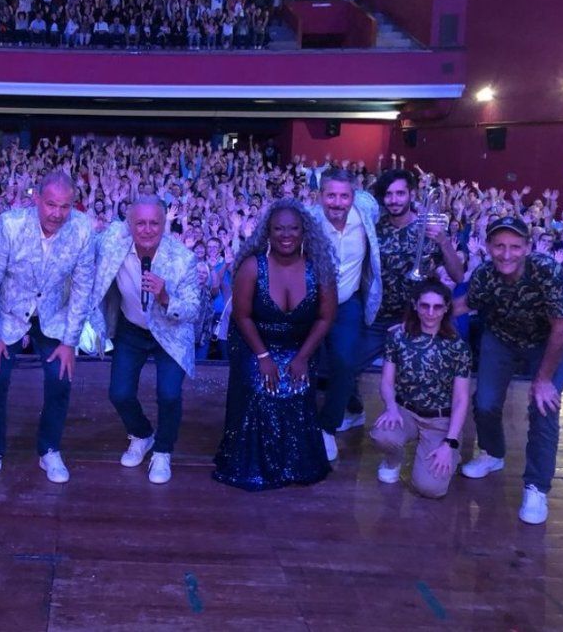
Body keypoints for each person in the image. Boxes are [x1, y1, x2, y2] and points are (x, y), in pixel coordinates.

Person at [0, 172, 95, 486]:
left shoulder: (82, 228)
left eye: (65, 206)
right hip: (8, 312)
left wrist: (70, 342)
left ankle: (50, 448)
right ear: (36, 200)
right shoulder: (10, 225)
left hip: (53, 314)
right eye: (50, 204)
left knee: (60, 378)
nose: (57, 213)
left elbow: (83, 289)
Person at [457, 217, 563, 525]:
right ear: (489, 248)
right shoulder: (484, 274)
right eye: (499, 246)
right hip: (502, 337)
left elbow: (561, 328)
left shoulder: (547, 272)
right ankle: (493, 454)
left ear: (527, 248)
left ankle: (537, 486)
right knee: (484, 403)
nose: (506, 254)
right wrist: (416, 318)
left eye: (514, 247)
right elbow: (463, 304)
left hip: (550, 342)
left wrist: (544, 379)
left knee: (543, 406)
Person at [212, 198, 337, 491]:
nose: (286, 234)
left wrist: (303, 356)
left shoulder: (319, 268)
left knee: (298, 387)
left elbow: (325, 318)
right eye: (279, 228)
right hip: (255, 342)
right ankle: (255, 466)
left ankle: (294, 464)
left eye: (293, 228)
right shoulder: (253, 267)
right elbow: (242, 316)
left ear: (304, 231)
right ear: (268, 232)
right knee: (262, 387)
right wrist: (263, 355)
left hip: (300, 345)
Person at [342, 169, 464, 431]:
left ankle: (421, 426)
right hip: (377, 316)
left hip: (416, 320)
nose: (394, 200)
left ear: (411, 194)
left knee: (419, 376)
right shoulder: (374, 229)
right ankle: (355, 410)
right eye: (388, 194)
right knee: (347, 363)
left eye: (400, 193)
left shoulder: (428, 228)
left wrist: (443, 241)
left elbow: (457, 273)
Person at [90, 196, 200, 484]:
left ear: (165, 224)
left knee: (169, 394)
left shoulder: (183, 258)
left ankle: (163, 450)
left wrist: (165, 297)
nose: (148, 229)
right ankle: (142, 434)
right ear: (129, 224)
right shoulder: (114, 245)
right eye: (141, 223)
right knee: (120, 393)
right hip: (131, 328)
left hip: (171, 332)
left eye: (155, 223)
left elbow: (191, 310)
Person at [370, 279, 471, 497]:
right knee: (382, 435)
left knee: (431, 489)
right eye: (425, 305)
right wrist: (391, 407)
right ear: (415, 305)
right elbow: (387, 380)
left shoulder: (457, 346)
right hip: (405, 410)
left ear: (446, 309)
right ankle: (393, 460)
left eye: (437, 307)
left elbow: (461, 399)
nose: (430, 313)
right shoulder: (398, 336)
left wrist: (449, 442)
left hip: (439, 421)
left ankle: (451, 452)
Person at [310, 168, 382, 460]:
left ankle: (327, 428)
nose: (338, 202)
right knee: (306, 362)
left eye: (344, 196)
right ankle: (301, 423)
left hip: (347, 302)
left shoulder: (367, 213)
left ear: (354, 196)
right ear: (320, 196)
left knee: (344, 363)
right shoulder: (308, 220)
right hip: (312, 303)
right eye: (331, 195)